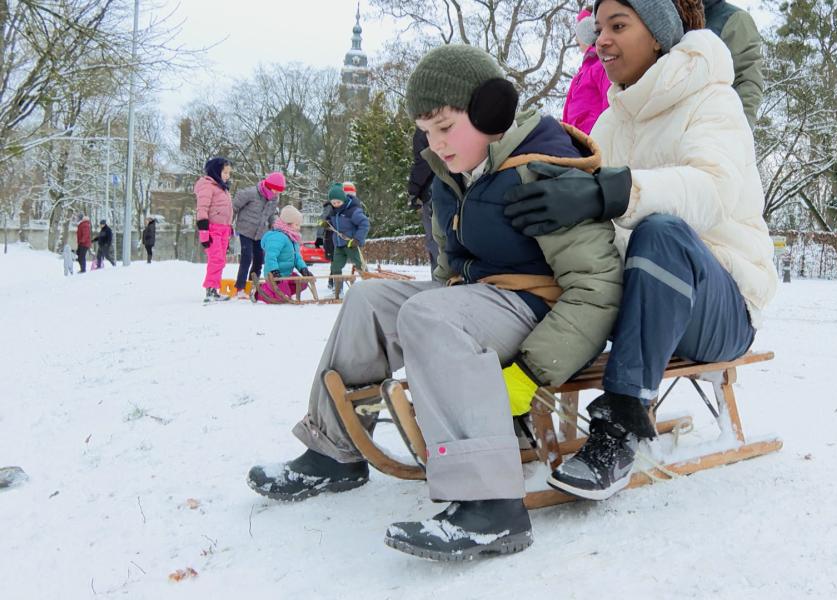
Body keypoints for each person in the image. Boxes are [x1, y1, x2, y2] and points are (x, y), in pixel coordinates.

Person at [246, 44, 622, 561]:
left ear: (491, 110)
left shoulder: (544, 166)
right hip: (476, 299)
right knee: (368, 300)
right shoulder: (453, 173)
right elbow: (450, 268)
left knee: (429, 313)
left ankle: (490, 503)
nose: (436, 143)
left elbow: (597, 288)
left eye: (445, 127)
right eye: (426, 131)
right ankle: (335, 451)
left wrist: (533, 370)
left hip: (536, 307)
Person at [504, 0, 777, 500]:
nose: (600, 39)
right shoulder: (612, 120)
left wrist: (610, 191)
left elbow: (713, 191)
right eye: (599, 27)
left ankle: (619, 429)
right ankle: (509, 401)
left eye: (618, 25)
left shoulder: (713, 101)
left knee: (661, 232)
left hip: (722, 305)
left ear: (656, 34)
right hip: (644, 305)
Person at [703, 0, 764, 128]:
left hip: (709, 129)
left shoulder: (734, 19)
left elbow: (747, 81)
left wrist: (737, 134)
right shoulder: (666, 14)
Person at [233, 172, 286, 298]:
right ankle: (239, 287)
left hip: (261, 232)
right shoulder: (252, 193)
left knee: (259, 258)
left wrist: (275, 225)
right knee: (246, 257)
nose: (277, 193)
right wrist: (229, 223)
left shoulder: (274, 199)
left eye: (279, 191)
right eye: (276, 190)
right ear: (269, 186)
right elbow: (234, 205)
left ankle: (253, 285)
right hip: (245, 229)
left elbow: (272, 214)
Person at [562, 7, 613, 134]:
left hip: (593, 140)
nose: (576, 39)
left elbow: (610, 102)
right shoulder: (583, 71)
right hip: (575, 143)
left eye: (579, 34)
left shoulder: (601, 64)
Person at [253, 205, 313, 304]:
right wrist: (274, 271)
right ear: (288, 224)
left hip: (287, 274)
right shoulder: (277, 237)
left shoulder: (292, 238)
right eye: (297, 225)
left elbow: (297, 257)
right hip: (275, 276)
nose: (299, 228)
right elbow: (271, 256)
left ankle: (283, 293)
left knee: (302, 283)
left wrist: (303, 269)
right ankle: (259, 292)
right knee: (282, 298)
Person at [194, 157, 233, 303]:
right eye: (225, 172)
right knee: (215, 259)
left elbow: (226, 210)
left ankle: (215, 289)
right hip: (212, 229)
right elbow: (202, 209)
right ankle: (210, 289)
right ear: (216, 171)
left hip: (224, 229)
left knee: (221, 260)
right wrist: (204, 232)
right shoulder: (207, 186)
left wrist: (230, 228)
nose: (227, 176)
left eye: (229, 173)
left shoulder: (223, 189)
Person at [407, 129, 440, 272]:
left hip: (434, 192)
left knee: (437, 241)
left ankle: (441, 283)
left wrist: (413, 191)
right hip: (455, 186)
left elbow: (424, 162)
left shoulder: (425, 128)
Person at [324, 182, 370, 280]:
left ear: (343, 200)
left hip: (351, 244)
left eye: (338, 202)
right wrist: (326, 224)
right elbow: (331, 223)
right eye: (333, 203)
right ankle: (337, 290)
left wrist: (357, 239)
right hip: (339, 245)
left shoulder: (353, 211)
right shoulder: (333, 212)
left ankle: (369, 283)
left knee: (360, 266)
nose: (336, 205)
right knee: (335, 268)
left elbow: (365, 224)